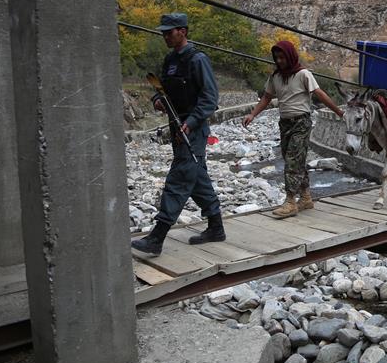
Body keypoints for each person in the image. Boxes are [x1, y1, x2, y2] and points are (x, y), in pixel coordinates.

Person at [132, 13, 224, 256]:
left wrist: (192, 121)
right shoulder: (170, 60)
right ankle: (216, 226)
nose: (164, 35)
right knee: (196, 174)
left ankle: (157, 236)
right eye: (163, 32)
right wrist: (157, 101)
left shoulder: (198, 60)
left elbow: (210, 98)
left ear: (182, 31)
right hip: (176, 125)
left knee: (181, 175)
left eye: (169, 32)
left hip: (192, 128)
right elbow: (161, 89)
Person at [243, 40, 344, 219]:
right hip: (285, 123)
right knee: (295, 160)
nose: (279, 60)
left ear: (290, 56)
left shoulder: (303, 74)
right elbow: (266, 97)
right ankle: (305, 197)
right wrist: (252, 115)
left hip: (301, 123)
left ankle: (290, 201)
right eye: (277, 58)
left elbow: (319, 94)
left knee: (292, 161)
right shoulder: (275, 76)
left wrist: (339, 112)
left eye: (282, 57)